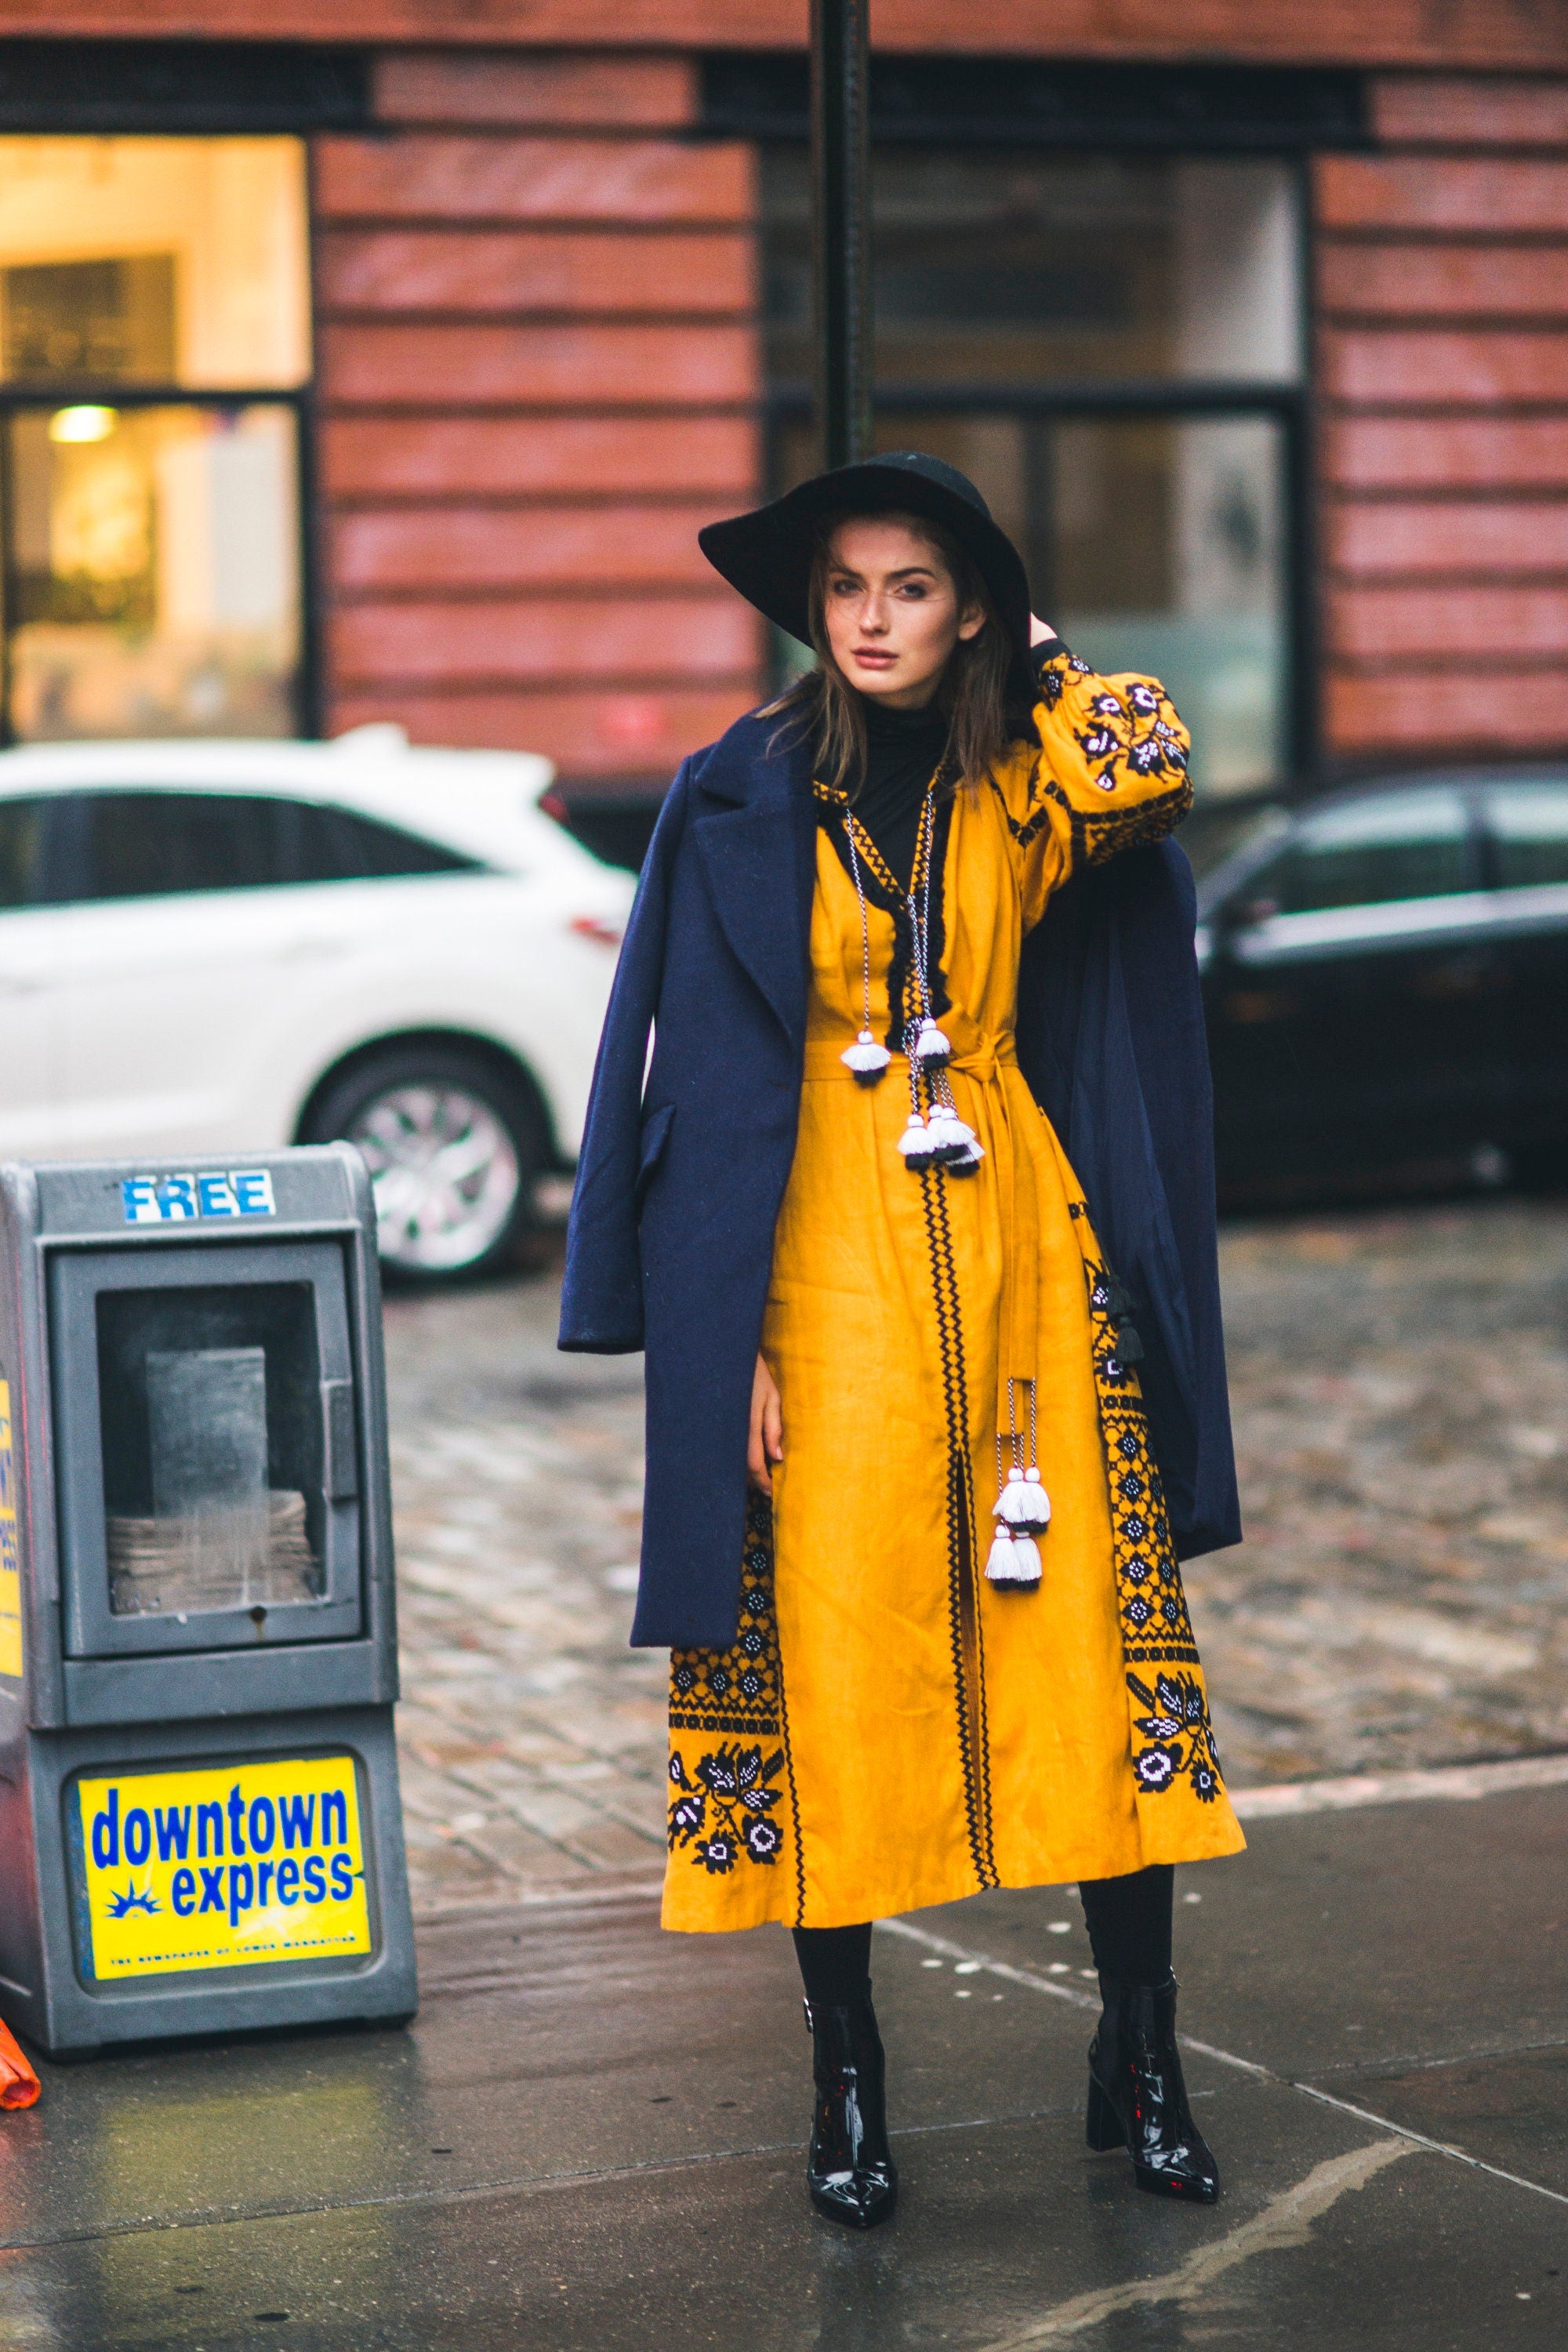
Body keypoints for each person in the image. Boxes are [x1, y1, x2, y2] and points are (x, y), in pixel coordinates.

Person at [561, 452, 1245, 2230]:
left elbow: (1156, 762)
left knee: (1089, 1657)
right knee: (834, 1677)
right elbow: (682, 1079)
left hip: (1024, 1244)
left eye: (914, 587)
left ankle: (1145, 2059)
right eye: (846, 588)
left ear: (967, 609)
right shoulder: (738, 789)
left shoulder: (1026, 772)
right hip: (815, 1265)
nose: (872, 620)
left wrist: (1038, 646)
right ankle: (847, 2082)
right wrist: (729, 1353)